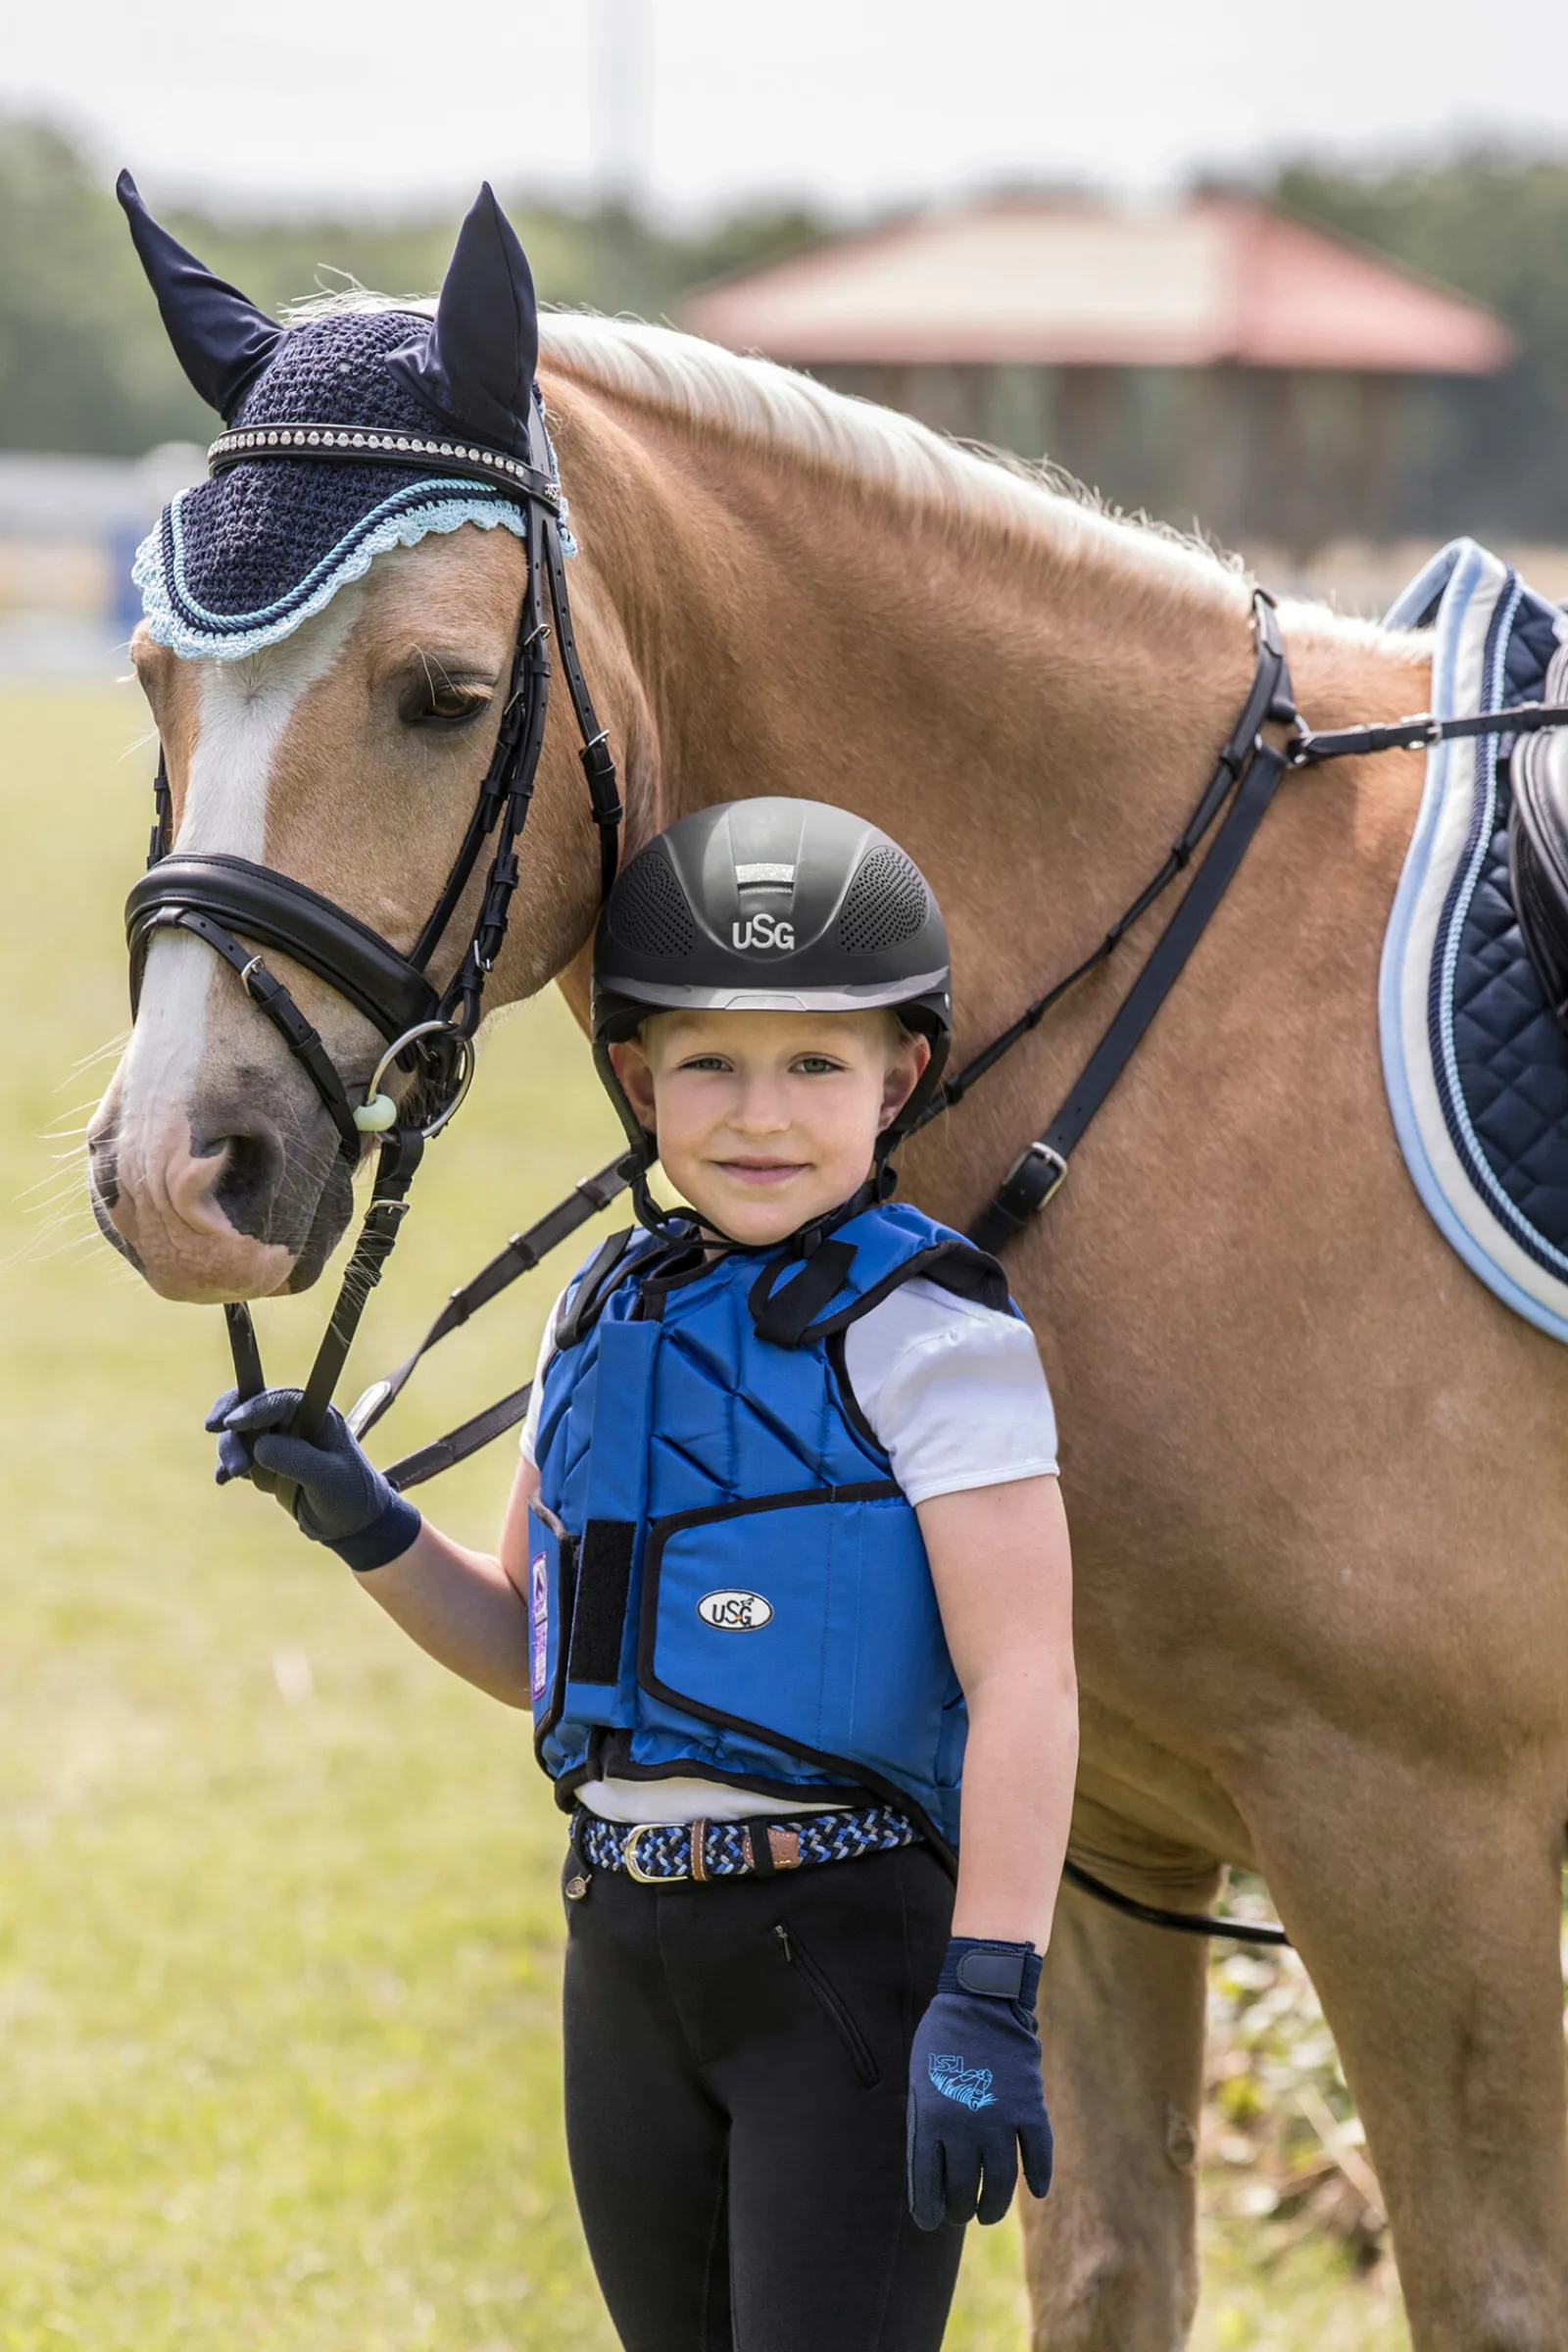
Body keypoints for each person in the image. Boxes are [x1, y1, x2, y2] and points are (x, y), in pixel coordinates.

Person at [211, 798, 1078, 2352]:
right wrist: (366, 1525)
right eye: (710, 1064)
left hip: (850, 1961)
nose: (760, 1112)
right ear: (637, 1079)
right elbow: (529, 1648)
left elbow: (1026, 1677)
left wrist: (992, 1986)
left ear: (902, 1076)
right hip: (622, 1954)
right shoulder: (601, 1318)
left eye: (816, 1063)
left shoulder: (938, 1340)